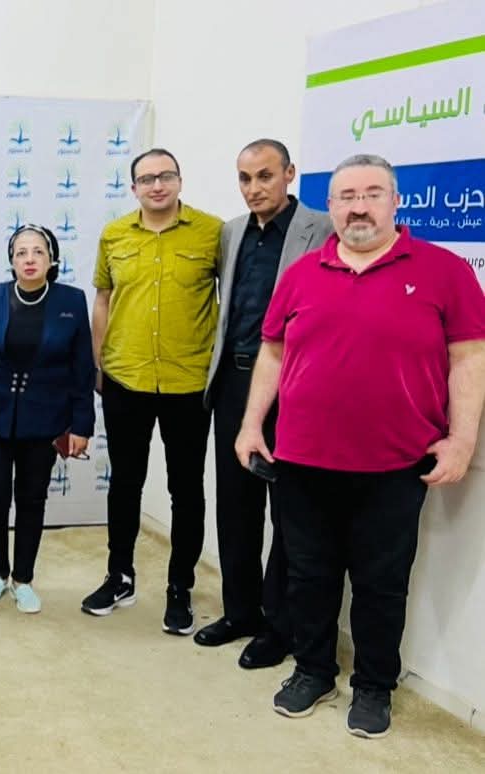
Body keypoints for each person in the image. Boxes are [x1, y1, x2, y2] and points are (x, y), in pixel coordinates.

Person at [236, 153, 485, 738]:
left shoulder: (444, 271)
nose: (358, 207)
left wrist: (462, 440)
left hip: (395, 465)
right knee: (308, 575)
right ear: (331, 207)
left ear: (396, 202)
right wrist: (251, 426)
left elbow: (469, 358)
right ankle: (313, 670)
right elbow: (272, 353)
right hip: (301, 459)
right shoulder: (302, 273)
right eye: (346, 197)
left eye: (372, 194)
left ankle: (374, 686)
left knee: (381, 584)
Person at [193, 139, 331, 668]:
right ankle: (240, 612)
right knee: (235, 506)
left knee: (289, 512)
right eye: (245, 178)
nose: (254, 188)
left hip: (293, 387)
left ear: (290, 173)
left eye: (265, 176)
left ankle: (280, 627)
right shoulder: (231, 232)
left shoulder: (323, 229)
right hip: (234, 382)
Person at [81, 148, 222, 635]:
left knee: (186, 489)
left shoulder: (212, 233)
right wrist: (98, 363)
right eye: (146, 179)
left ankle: (180, 587)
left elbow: (228, 299)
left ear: (180, 180)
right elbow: (103, 298)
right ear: (134, 187)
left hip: (189, 381)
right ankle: (119, 577)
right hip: (127, 378)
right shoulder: (114, 234)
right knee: (125, 483)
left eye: (165, 176)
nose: (156, 185)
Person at [0, 224, 95, 614]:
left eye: (38, 252)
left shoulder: (72, 301)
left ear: (52, 259)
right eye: (21, 253)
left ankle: (23, 578)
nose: (29, 259)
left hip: (44, 420)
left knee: (32, 499)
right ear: (11, 260)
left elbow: (82, 368)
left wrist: (82, 424)